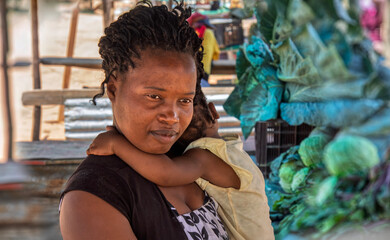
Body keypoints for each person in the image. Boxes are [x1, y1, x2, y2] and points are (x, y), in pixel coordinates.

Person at [59, 1, 233, 239]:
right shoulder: (93, 195)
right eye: (154, 96)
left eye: (184, 100)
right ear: (112, 89)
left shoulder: (191, 161)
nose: (172, 117)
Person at [87, 101, 274, 240]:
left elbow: (166, 173)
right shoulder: (233, 150)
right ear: (213, 112)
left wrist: (117, 144)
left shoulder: (204, 156)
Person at [187, 12, 220, 86]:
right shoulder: (209, 32)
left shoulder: (189, 33)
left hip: (189, 69)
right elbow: (216, 52)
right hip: (204, 70)